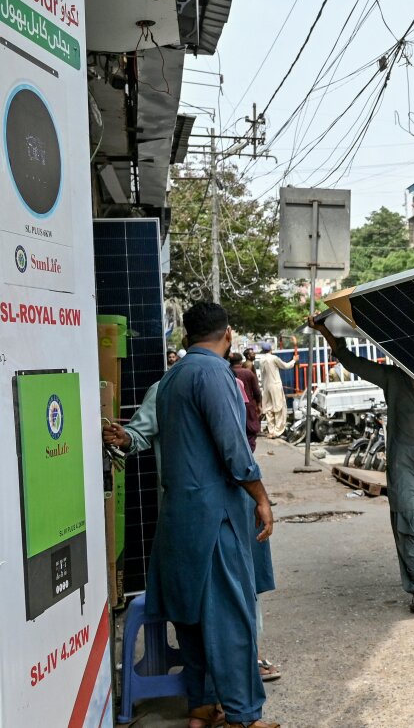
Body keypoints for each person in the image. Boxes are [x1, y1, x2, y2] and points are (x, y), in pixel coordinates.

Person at [145, 302, 278, 728]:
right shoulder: (214, 373)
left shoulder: (172, 377)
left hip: (179, 517)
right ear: (229, 334)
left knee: (195, 619)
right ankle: (244, 716)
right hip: (213, 516)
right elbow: (233, 448)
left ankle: (203, 706)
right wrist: (261, 496)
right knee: (231, 622)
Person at [102, 380, 281, 687]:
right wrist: (126, 437)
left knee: (242, 589)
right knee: (201, 599)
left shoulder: (227, 383)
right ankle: (215, 688)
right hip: (191, 515)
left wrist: (258, 496)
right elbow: (139, 432)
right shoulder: (165, 388)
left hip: (233, 505)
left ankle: (245, 663)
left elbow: (237, 446)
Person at [308, 317, 414, 613]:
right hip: (404, 465)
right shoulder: (392, 378)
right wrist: (324, 329)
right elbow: (350, 362)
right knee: (409, 520)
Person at [254, 341, 298, 438]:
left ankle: (271, 430)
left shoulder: (261, 360)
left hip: (266, 386)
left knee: (269, 409)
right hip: (275, 385)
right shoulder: (274, 358)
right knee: (278, 408)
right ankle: (277, 431)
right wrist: (294, 360)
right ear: (271, 350)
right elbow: (286, 366)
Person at [230, 353, 262, 450]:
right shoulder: (248, 373)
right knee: (250, 432)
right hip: (248, 406)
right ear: (241, 361)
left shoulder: (227, 372)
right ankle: (248, 453)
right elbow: (257, 392)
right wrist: (259, 405)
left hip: (232, 406)